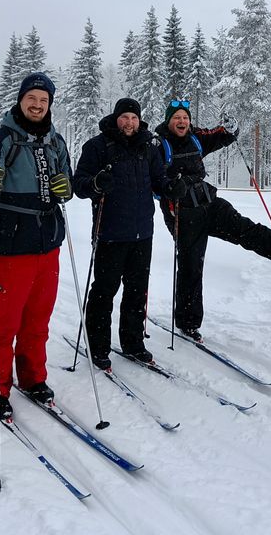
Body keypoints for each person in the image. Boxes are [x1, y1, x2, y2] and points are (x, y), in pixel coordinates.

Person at [154, 99, 271, 343]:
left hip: (210, 204)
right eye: (177, 118)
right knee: (191, 268)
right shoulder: (158, 145)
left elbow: (222, 135)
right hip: (183, 215)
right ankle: (188, 323)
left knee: (249, 231)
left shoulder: (196, 138)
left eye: (185, 117)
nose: (182, 121)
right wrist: (168, 188)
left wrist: (231, 128)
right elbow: (152, 183)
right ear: (168, 121)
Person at [0, 72, 73, 420]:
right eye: (32, 98)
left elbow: (68, 182)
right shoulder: (2, 138)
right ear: (20, 99)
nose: (37, 104)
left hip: (49, 242)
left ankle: (33, 378)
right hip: (12, 242)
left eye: (43, 100)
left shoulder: (56, 142)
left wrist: (65, 188)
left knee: (37, 320)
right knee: (5, 321)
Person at [72, 97, 184, 370]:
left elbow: (159, 180)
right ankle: (97, 346)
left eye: (134, 118)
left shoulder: (149, 146)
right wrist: (96, 183)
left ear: (139, 120)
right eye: (125, 117)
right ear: (116, 118)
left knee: (137, 292)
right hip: (110, 232)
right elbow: (79, 184)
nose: (130, 122)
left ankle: (133, 343)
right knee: (104, 291)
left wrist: (171, 188)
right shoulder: (98, 146)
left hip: (142, 232)